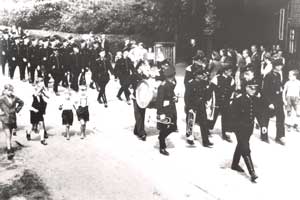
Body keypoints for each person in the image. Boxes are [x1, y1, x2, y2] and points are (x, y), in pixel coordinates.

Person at [230, 79, 267, 183]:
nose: (253, 90)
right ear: (246, 87)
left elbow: (259, 113)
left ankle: (234, 164)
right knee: (246, 148)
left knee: (241, 145)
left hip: (249, 128)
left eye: (255, 88)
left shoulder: (255, 99)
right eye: (251, 88)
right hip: (239, 127)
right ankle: (252, 173)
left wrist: (263, 125)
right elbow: (232, 114)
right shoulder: (239, 99)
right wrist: (229, 129)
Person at [185, 68, 213, 147]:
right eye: (200, 75)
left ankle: (206, 141)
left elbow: (206, 94)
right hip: (193, 105)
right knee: (190, 122)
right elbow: (187, 97)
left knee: (204, 123)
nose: (202, 76)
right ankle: (189, 138)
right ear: (196, 75)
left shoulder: (204, 83)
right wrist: (189, 107)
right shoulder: (190, 83)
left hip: (201, 106)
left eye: (202, 75)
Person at [261, 59, 285, 145]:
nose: (281, 67)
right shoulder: (268, 76)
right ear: (275, 66)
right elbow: (264, 91)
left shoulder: (278, 75)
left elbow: (279, 86)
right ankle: (264, 135)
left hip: (278, 100)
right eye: (279, 65)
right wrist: (269, 103)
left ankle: (280, 136)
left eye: (281, 65)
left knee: (281, 117)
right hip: (269, 100)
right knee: (265, 118)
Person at [209, 64, 235, 142]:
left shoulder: (231, 79)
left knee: (226, 117)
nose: (230, 72)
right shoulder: (217, 78)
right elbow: (211, 89)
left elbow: (232, 90)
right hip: (217, 100)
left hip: (226, 101)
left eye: (231, 71)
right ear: (225, 71)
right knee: (214, 115)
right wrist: (210, 100)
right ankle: (208, 128)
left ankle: (225, 133)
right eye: (229, 71)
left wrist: (231, 99)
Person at [156, 66, 177, 156]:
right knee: (163, 128)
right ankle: (162, 147)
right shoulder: (162, 86)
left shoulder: (171, 84)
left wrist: (175, 98)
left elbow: (172, 94)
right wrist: (160, 113)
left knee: (173, 127)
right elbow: (159, 101)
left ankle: (161, 137)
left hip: (171, 108)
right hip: (164, 110)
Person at [0, 84, 24, 160]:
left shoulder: (14, 97)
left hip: (13, 118)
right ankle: (9, 150)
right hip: (5, 119)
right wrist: (0, 112)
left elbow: (21, 102)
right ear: (5, 90)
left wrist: (17, 110)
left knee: (10, 133)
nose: (10, 92)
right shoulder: (2, 98)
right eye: (9, 90)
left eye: (11, 90)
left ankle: (9, 145)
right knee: (7, 134)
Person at [26, 79, 48, 145]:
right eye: (40, 82)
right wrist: (40, 88)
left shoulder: (41, 95)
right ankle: (28, 133)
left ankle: (42, 139)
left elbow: (48, 96)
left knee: (41, 125)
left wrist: (44, 90)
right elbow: (29, 105)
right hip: (33, 112)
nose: (40, 92)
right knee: (32, 125)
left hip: (40, 112)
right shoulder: (33, 93)